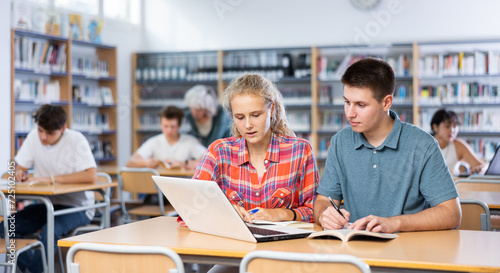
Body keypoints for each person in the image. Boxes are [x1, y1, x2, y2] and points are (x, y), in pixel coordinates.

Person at [313, 58, 461, 233]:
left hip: (408, 252)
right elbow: (323, 201)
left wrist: (394, 223)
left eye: (361, 105)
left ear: (386, 103)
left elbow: (451, 214)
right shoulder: (340, 142)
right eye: (347, 102)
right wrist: (324, 214)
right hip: (356, 251)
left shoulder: (423, 145)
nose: (350, 113)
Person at [192, 74, 319, 273]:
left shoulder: (300, 151)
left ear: (272, 109)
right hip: (233, 255)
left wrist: (280, 214)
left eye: (256, 115)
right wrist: (225, 212)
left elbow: (314, 212)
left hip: (286, 254)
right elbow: (190, 208)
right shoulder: (219, 151)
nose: (248, 125)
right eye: (240, 117)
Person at [1, 104, 97, 273]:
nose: (43, 137)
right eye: (40, 130)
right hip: (47, 204)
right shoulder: (33, 137)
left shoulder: (76, 140)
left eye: (50, 133)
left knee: (49, 231)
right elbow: (19, 168)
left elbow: (91, 176)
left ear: (63, 129)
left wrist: (51, 179)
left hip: (78, 206)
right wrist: (18, 174)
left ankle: (38, 269)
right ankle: (35, 269)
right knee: (6, 227)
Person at [126, 105, 206, 170]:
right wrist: (146, 162)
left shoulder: (190, 141)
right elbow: (130, 162)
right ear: (160, 125)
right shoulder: (154, 142)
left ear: (179, 126)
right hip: (159, 186)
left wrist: (185, 163)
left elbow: (207, 158)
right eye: (165, 126)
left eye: (172, 127)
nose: (169, 130)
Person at [430, 108, 487, 176]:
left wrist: (480, 169)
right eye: (447, 126)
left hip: (453, 185)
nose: (452, 130)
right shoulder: (425, 145)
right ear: (435, 127)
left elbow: (482, 166)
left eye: (454, 126)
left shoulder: (458, 145)